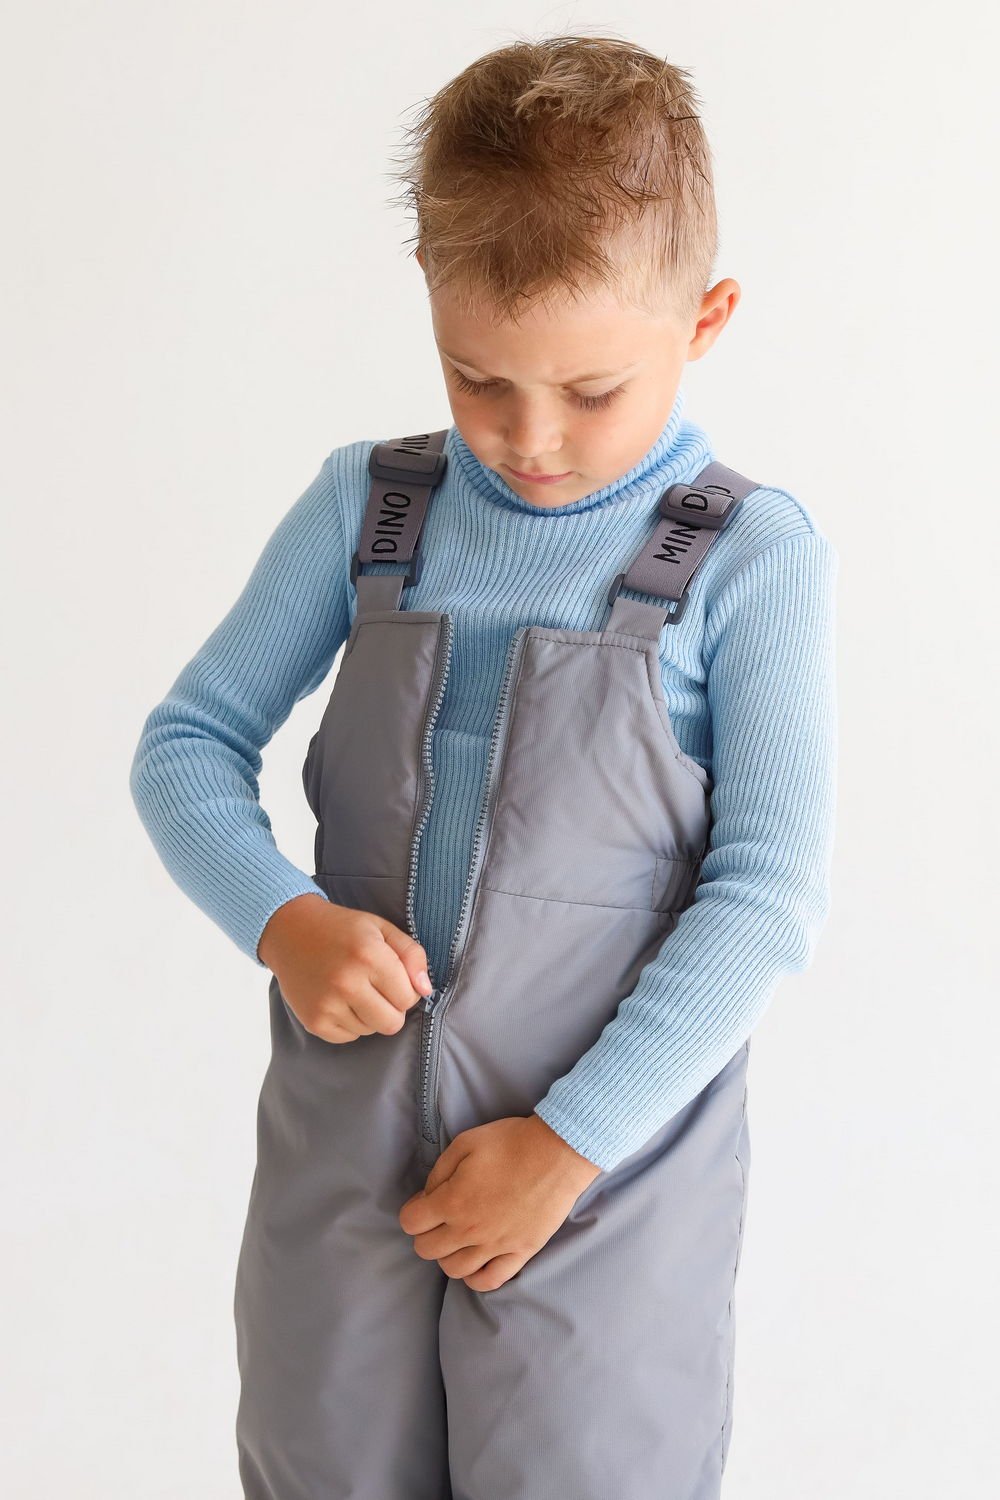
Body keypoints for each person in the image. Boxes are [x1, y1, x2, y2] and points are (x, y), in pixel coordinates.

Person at [129, 32, 838, 1500]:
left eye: (593, 390)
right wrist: (282, 918)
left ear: (706, 317)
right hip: (345, 1166)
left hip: (603, 1184)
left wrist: (570, 1145)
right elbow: (188, 747)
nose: (529, 439)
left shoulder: (750, 558)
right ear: (428, 293)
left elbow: (766, 897)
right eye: (478, 379)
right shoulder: (368, 506)